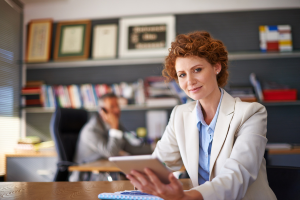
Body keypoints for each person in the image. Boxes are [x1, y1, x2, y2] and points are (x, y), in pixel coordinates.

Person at [126, 31, 277, 200]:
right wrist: (145, 178)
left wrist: (186, 197)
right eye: (182, 74)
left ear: (216, 67)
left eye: (197, 70)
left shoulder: (251, 113)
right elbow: (159, 165)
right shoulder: (180, 115)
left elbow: (237, 177)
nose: (189, 81)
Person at [69, 93, 151, 181]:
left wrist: (157, 147)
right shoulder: (91, 130)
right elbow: (111, 153)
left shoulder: (115, 125)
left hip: (106, 171)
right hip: (88, 176)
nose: (117, 110)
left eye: (118, 106)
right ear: (102, 111)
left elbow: (131, 149)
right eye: (112, 106)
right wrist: (115, 128)